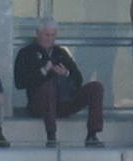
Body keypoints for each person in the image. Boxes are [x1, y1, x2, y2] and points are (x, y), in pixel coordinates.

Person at [13, 18, 104, 148]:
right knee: (48, 87)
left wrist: (66, 74)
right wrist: (43, 71)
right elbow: (19, 83)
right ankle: (51, 136)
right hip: (39, 105)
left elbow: (78, 79)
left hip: (64, 102)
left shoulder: (61, 53)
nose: (49, 39)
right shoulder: (26, 53)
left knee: (96, 87)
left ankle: (92, 134)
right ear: (37, 34)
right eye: (46, 35)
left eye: (53, 35)